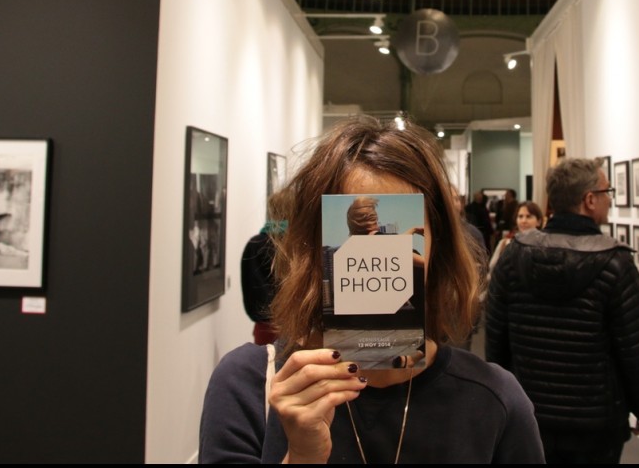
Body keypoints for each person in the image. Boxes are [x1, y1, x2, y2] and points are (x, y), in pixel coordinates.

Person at [200, 116, 544, 464]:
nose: (377, 256)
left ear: (437, 246)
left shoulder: (494, 401)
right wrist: (301, 455)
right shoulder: (249, 386)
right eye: (358, 224)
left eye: (381, 227)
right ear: (310, 248)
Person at [487, 157, 639, 464]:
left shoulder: (514, 255)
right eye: (607, 191)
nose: (610, 199)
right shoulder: (615, 262)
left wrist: (498, 400)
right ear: (589, 200)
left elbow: (496, 337)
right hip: (596, 425)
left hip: (528, 412)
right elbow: (634, 349)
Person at [488, 200, 543, 272]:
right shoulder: (506, 243)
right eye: (520, 216)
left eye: (528, 216)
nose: (523, 221)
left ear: (539, 222)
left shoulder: (546, 246)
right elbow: (492, 270)